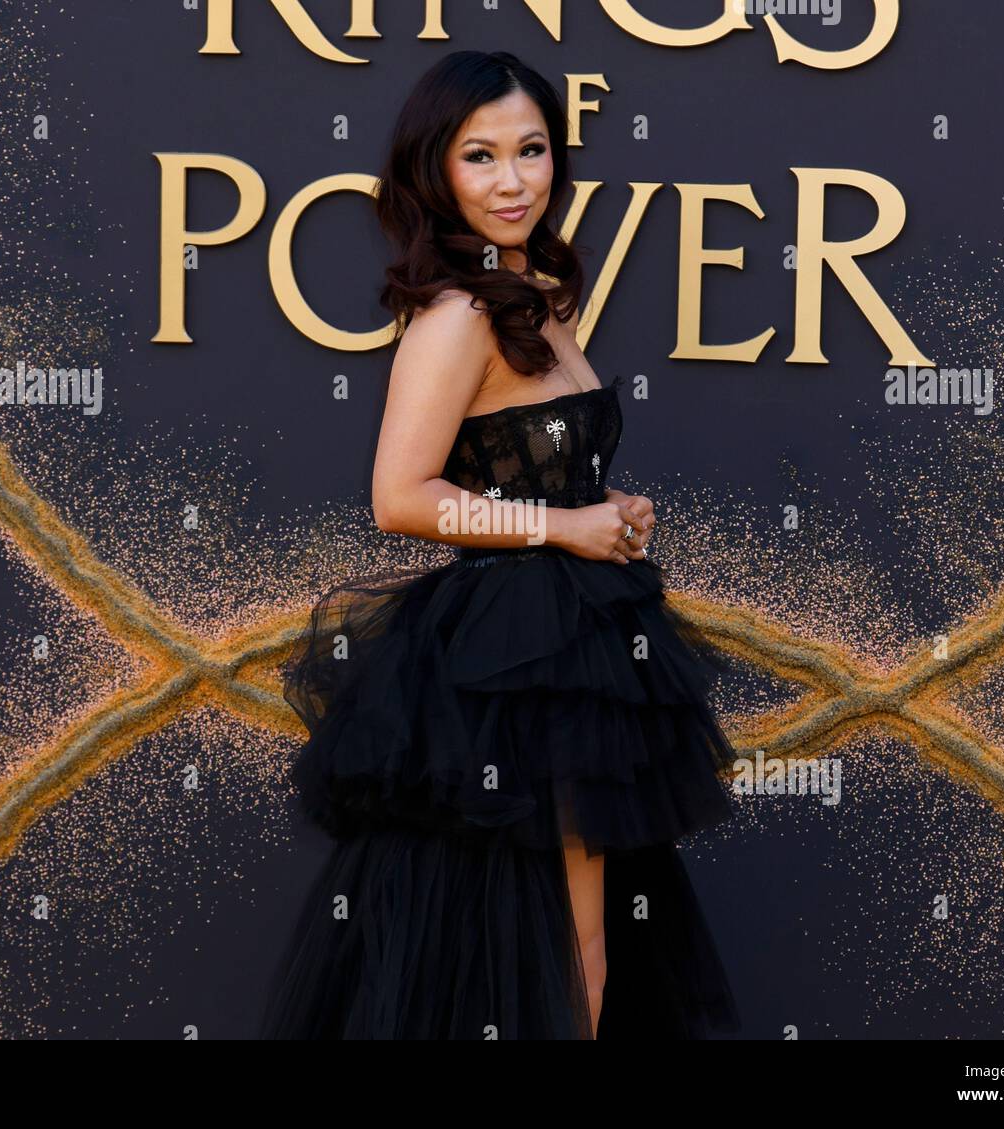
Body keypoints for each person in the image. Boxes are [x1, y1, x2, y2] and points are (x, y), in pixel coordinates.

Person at [259, 49, 741, 1039]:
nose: (512, 180)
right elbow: (401, 496)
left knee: (576, 934)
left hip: (564, 641)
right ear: (433, 171)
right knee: (563, 944)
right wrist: (563, 523)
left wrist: (598, 500)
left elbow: (517, 452)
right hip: (512, 658)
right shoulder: (457, 314)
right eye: (479, 157)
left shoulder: (534, 290)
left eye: (531, 150)